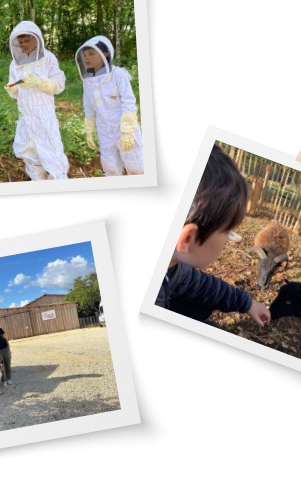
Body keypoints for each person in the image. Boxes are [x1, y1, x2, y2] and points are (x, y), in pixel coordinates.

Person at [156, 145, 271, 328]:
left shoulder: (170, 267)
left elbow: (196, 282)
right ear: (188, 239)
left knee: (200, 307)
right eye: (227, 232)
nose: (227, 240)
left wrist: (246, 303)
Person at [5, 21, 68, 180]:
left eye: (27, 41)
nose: (23, 45)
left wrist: (40, 82)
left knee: (54, 157)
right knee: (30, 158)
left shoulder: (48, 58)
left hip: (44, 117)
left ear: (36, 39)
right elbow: (15, 88)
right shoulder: (15, 63)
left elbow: (59, 84)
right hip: (26, 117)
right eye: (20, 42)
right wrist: (13, 89)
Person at [75, 36, 144, 176]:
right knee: (110, 167)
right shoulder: (87, 81)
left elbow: (128, 102)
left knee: (136, 166)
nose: (86, 58)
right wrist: (89, 130)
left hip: (122, 127)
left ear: (104, 55)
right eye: (84, 55)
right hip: (104, 130)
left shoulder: (118, 74)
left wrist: (127, 131)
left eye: (91, 54)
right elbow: (88, 106)